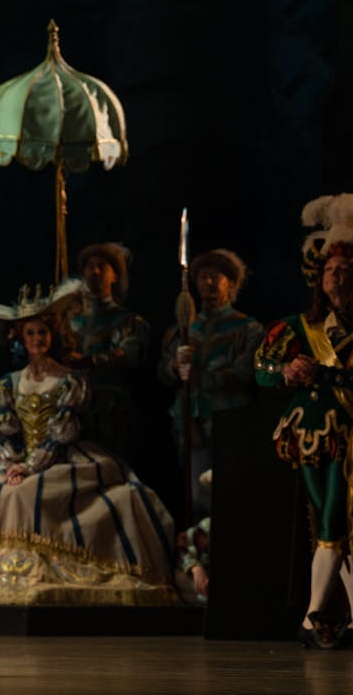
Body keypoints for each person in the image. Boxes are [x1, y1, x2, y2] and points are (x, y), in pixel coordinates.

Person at [0, 283, 177, 606]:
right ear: (21, 337)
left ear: (53, 334)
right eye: (30, 333)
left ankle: (50, 573)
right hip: (16, 458)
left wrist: (30, 467)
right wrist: (10, 465)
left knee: (28, 493)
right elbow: (4, 431)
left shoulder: (69, 380)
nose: (37, 340)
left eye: (42, 333)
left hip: (58, 457)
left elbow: (61, 433)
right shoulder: (9, 383)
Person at [254, 194, 353, 649]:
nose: (340, 278)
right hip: (310, 437)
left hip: (350, 434)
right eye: (333, 271)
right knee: (331, 523)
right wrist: (285, 371)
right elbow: (261, 368)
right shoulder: (297, 326)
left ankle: (314, 617)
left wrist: (327, 372)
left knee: (336, 521)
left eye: (348, 272)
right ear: (319, 278)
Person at [157, 248, 263, 518]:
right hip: (193, 424)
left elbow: (246, 373)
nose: (208, 282)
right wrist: (174, 365)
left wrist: (203, 378)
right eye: (203, 277)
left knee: (231, 493)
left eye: (216, 276)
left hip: (230, 421)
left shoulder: (247, 328)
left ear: (230, 283)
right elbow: (164, 373)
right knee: (197, 497)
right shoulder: (184, 330)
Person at [63, 243, 150, 456]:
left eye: (102, 266)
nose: (95, 271)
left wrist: (89, 361)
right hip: (71, 406)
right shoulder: (70, 319)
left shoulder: (126, 320)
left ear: (115, 276)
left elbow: (129, 354)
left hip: (109, 407)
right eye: (90, 266)